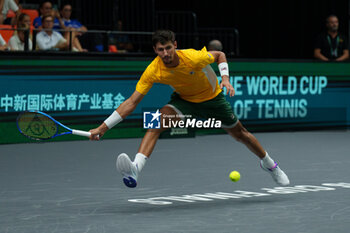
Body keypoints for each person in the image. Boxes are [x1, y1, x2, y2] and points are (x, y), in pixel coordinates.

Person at [89, 30, 290, 188]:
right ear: (155, 50)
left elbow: (220, 55)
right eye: (160, 50)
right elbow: (132, 102)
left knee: (241, 135)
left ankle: (270, 164)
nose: (165, 53)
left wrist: (225, 79)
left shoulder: (193, 57)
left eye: (168, 48)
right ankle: (135, 169)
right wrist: (103, 128)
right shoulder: (153, 70)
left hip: (213, 100)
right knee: (155, 122)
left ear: (175, 45)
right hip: (184, 101)